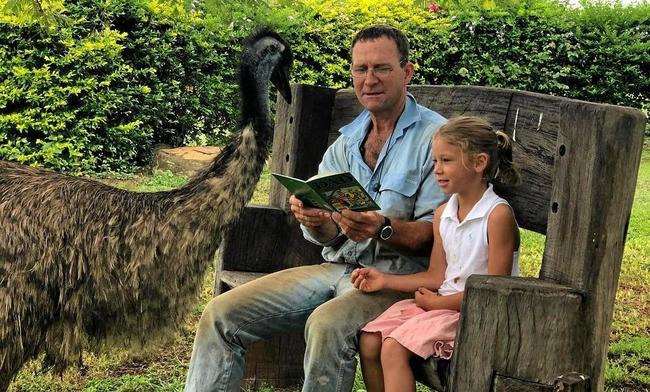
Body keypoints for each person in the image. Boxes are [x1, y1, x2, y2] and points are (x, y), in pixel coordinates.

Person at [184, 25, 447, 392]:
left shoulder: (436, 139)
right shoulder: (347, 141)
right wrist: (318, 221)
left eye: (381, 68)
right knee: (221, 315)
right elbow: (329, 235)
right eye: (360, 69)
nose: (369, 80)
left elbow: (442, 237)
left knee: (326, 325)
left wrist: (381, 228)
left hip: (396, 281)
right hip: (336, 269)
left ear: (407, 72)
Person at [351, 116, 522, 392]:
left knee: (393, 348)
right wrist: (384, 280)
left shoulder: (496, 216)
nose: (437, 170)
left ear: (479, 163)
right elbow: (435, 276)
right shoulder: (443, 214)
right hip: (441, 305)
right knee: (370, 340)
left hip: (474, 315)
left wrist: (437, 305)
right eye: (435, 161)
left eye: (446, 161)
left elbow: (494, 294)